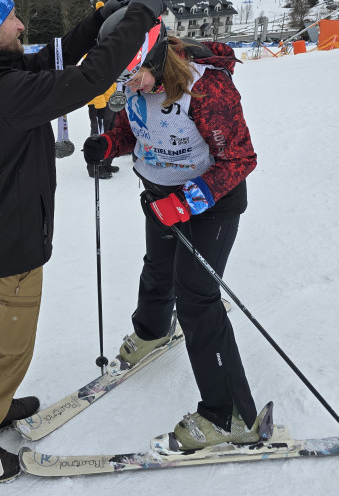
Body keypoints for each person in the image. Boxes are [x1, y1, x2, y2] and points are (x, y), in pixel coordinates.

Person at [0, 0, 167, 483]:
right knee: (6, 351)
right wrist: (141, 16)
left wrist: (98, 24)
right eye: (10, 19)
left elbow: (50, 58)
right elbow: (88, 79)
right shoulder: (1, 91)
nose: (21, 26)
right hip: (9, 243)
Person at [83, 24, 262, 451]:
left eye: (134, 74)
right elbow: (138, 129)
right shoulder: (137, 84)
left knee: (197, 296)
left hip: (211, 202)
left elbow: (239, 157)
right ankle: (153, 331)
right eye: (121, 76)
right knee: (158, 267)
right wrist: (110, 142)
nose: (128, 85)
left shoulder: (206, 88)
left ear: (158, 58)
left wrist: (188, 201)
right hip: (160, 193)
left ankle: (231, 414)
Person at [86, 83, 118, 179]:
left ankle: (106, 164)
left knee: (110, 134)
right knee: (98, 136)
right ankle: (95, 168)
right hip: (99, 104)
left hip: (111, 101)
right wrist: (100, 105)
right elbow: (94, 84)